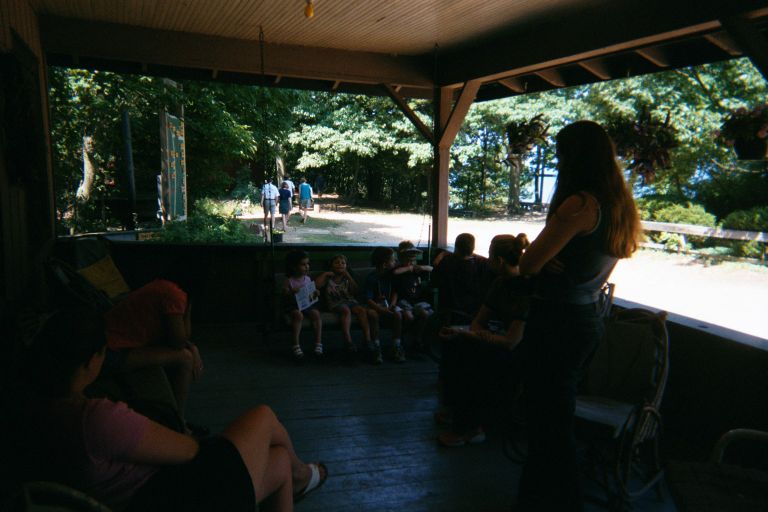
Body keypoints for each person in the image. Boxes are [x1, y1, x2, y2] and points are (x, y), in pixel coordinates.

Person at [18, 308, 327, 512]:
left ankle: (298, 475)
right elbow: (189, 450)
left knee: (279, 461)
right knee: (262, 415)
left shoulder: (35, 410)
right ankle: (303, 475)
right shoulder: (94, 420)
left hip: (145, 496)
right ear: (91, 360)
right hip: (175, 497)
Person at [515, 121, 641, 511]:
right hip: (587, 316)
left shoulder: (579, 204)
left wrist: (535, 256)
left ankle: (558, 501)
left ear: (574, 157)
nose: (557, 160)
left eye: (561, 153)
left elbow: (529, 264)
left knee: (548, 423)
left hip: (557, 321)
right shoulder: (618, 205)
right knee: (556, 414)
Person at [436, 234, 531, 447]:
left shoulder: (525, 290)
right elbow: (479, 322)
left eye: (489, 256)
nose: (486, 260)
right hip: (497, 341)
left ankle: (470, 427)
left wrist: (479, 336)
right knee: (455, 346)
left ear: (499, 260)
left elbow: (511, 342)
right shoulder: (500, 283)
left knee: (473, 362)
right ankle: (458, 411)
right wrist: (474, 334)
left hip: (522, 352)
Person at [103, 278, 203, 435]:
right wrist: (189, 307)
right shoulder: (174, 295)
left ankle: (176, 421)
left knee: (185, 355)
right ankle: (177, 425)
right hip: (110, 353)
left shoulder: (165, 287)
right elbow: (178, 341)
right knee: (185, 358)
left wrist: (192, 346)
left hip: (113, 347)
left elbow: (177, 337)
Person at [315, 254, 374, 354]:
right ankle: (348, 341)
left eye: (343, 263)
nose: (340, 265)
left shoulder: (347, 277)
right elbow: (316, 285)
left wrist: (348, 276)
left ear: (346, 266)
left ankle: (367, 339)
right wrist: (325, 274)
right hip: (335, 303)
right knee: (345, 310)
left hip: (350, 301)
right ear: (331, 265)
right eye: (337, 262)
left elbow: (356, 291)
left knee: (361, 310)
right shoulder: (328, 277)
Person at [432, 233, 492, 324]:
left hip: (447, 314)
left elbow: (433, 283)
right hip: (473, 315)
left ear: (456, 247)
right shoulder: (482, 265)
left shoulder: (445, 263)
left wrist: (443, 254)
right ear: (472, 249)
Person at [362, 247, 403, 364]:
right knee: (373, 314)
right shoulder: (372, 277)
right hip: (374, 306)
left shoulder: (393, 276)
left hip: (389, 305)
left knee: (398, 314)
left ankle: (396, 346)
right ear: (385, 264)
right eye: (393, 260)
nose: (395, 262)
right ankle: (376, 346)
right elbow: (368, 299)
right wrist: (380, 309)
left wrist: (392, 305)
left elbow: (395, 292)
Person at [392, 241, 434, 352]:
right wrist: (409, 268)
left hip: (417, 301)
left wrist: (420, 267)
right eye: (408, 258)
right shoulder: (399, 269)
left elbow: (431, 269)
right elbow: (396, 272)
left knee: (425, 314)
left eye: (413, 258)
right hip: (403, 302)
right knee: (409, 317)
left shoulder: (418, 269)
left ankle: (417, 340)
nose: (411, 261)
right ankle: (400, 339)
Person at [283, 250, 323, 360]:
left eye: (307, 264)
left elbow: (311, 294)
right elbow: (285, 294)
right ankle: (296, 344)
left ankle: (318, 342)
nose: (306, 267)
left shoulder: (308, 279)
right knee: (298, 315)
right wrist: (291, 291)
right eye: (303, 264)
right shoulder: (289, 280)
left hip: (307, 304)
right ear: (294, 267)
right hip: (294, 305)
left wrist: (316, 292)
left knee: (316, 313)